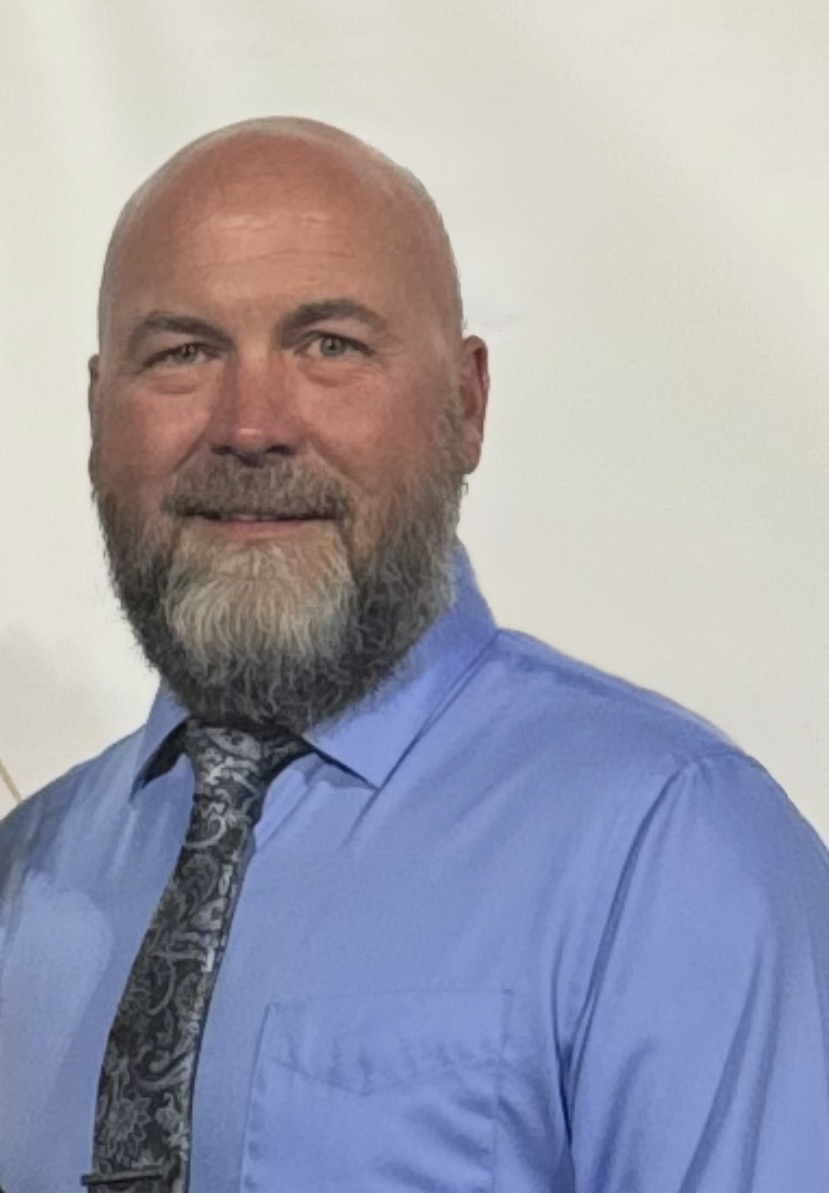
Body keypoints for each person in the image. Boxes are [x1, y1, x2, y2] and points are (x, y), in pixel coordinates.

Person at [1, 117, 828, 1193]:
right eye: (183, 353)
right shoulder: (26, 873)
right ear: (96, 412)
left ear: (466, 405)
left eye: (329, 346)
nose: (250, 424)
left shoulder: (670, 850)